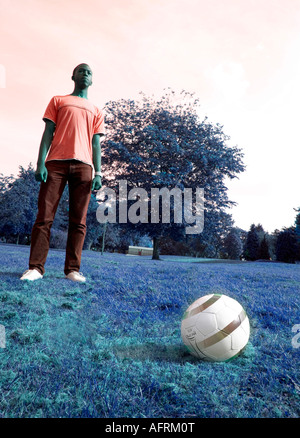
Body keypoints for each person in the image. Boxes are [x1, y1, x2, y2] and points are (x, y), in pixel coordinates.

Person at [20, 63, 105, 283]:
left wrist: (99, 173)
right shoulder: (58, 100)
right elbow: (48, 133)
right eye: (81, 71)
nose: (85, 74)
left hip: (84, 167)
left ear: (92, 80)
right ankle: (36, 268)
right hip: (55, 165)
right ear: (73, 76)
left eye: (89, 72)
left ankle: (72, 270)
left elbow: (96, 144)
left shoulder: (96, 110)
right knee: (44, 218)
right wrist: (40, 164)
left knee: (79, 221)